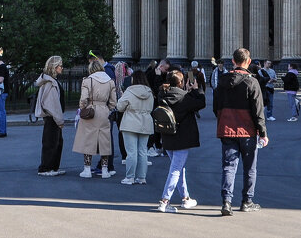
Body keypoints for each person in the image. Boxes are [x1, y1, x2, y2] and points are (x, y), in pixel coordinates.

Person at [214, 47, 268, 214]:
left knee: (228, 167)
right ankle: (247, 201)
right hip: (247, 131)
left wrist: (224, 118)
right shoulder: (252, 82)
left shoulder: (222, 81)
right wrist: (263, 133)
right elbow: (258, 111)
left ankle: (226, 202)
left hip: (227, 129)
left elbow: (216, 107)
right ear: (249, 62)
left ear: (233, 61)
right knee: (249, 168)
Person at [155, 69, 205, 213]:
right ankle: (164, 201)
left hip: (167, 135)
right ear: (181, 82)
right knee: (176, 169)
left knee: (178, 167)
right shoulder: (184, 97)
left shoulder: (162, 94)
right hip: (182, 137)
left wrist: (188, 91)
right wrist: (196, 89)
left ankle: (185, 198)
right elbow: (201, 103)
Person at [72, 56, 117, 177]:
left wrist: (82, 108)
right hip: (104, 111)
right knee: (104, 141)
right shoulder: (110, 81)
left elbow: (83, 99)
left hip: (91, 111)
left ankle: (87, 169)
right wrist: (108, 109)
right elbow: (113, 101)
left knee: (88, 140)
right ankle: (105, 170)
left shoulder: (88, 80)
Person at [115, 69, 155, 185]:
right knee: (142, 151)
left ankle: (130, 177)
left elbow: (120, 107)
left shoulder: (130, 91)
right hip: (145, 122)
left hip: (130, 122)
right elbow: (151, 107)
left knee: (131, 152)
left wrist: (121, 97)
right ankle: (141, 177)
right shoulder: (149, 92)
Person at [35, 56, 67, 176]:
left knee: (57, 143)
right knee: (51, 143)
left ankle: (53, 167)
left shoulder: (51, 80)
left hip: (52, 117)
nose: (62, 68)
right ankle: (46, 168)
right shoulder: (50, 82)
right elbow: (52, 104)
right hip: (52, 117)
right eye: (60, 66)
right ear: (54, 67)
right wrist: (59, 120)